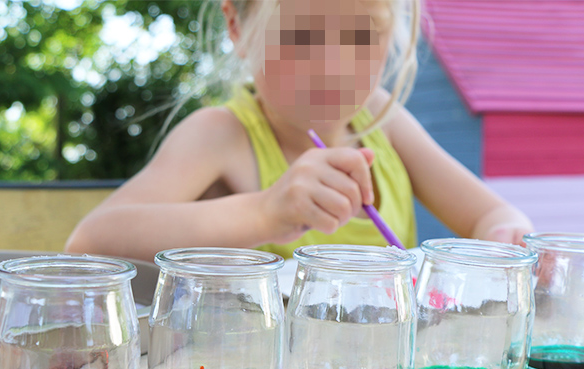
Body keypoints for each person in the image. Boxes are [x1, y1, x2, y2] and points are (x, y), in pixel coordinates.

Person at [65, 0, 533, 261]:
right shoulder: (221, 134)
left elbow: (494, 217)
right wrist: (265, 213)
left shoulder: (386, 125)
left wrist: (508, 239)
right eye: (300, 36)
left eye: (360, 34)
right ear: (238, 27)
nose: (331, 64)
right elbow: (91, 240)